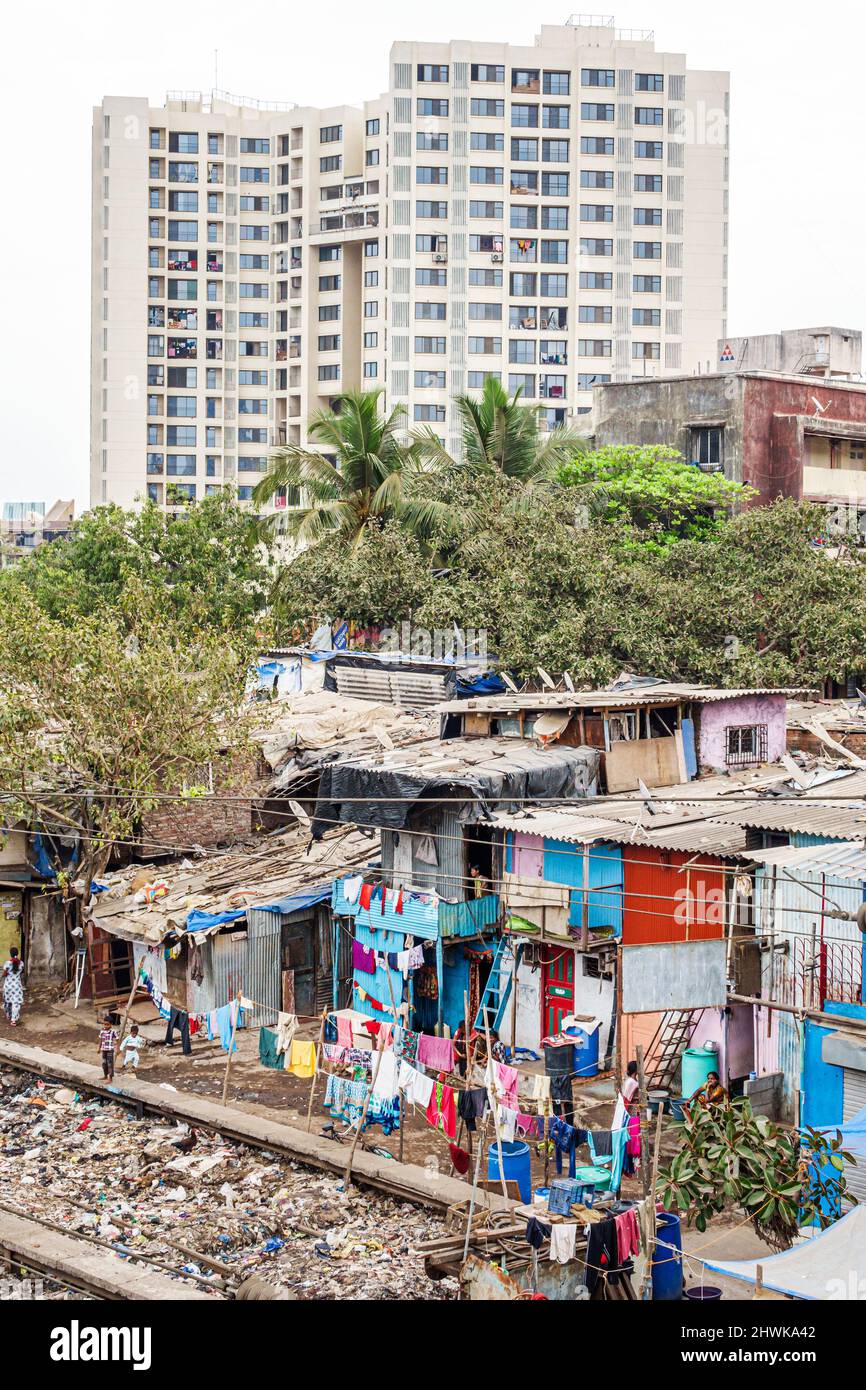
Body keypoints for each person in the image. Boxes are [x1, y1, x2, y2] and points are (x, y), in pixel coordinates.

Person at [3, 956, 24, 1026]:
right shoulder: (21, 963)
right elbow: (20, 973)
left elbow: (4, 974)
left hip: (8, 986)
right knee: (16, 1003)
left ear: (10, 954)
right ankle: (13, 1020)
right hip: (17, 986)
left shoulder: (7, 963)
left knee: (8, 1001)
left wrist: (6, 973)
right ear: (17, 954)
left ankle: (8, 1015)